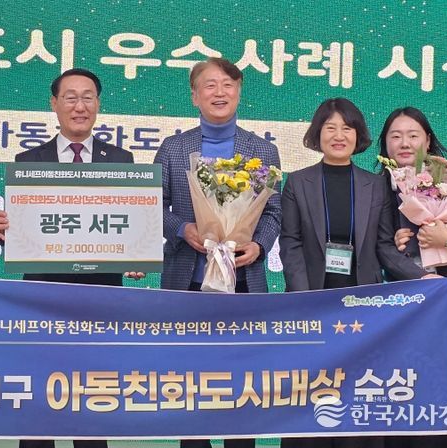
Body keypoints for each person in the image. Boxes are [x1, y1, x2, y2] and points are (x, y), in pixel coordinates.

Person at [0, 68, 137, 448]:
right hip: (43, 298)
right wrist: (3, 231)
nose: (79, 106)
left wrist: (137, 254)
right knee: (41, 401)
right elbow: (24, 237)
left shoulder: (121, 160)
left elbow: (132, 227)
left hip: (100, 299)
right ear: (54, 104)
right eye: (70, 97)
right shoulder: (28, 160)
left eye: (88, 97)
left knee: (91, 403)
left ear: (98, 105)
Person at [279, 98, 433, 448]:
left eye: (347, 128)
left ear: (358, 135)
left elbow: (384, 246)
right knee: (310, 395)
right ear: (317, 134)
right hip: (313, 306)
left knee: (359, 394)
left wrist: (420, 277)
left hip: (363, 309)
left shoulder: (374, 185)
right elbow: (291, 243)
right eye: (330, 128)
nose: (339, 135)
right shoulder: (297, 182)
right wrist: (305, 299)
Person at [154, 57, 281, 448]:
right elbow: (152, 205)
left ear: (239, 92)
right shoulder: (173, 149)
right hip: (188, 282)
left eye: (228, 84)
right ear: (195, 96)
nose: (219, 92)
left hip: (243, 282)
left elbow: (274, 211)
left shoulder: (263, 150)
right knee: (190, 383)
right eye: (209, 85)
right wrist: (183, 229)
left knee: (242, 384)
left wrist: (258, 244)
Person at [378, 107, 447, 448]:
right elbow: (374, 243)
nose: (404, 143)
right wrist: (394, 243)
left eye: (413, 135)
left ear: (427, 141)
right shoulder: (378, 186)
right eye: (396, 136)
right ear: (385, 144)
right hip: (405, 300)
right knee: (406, 377)